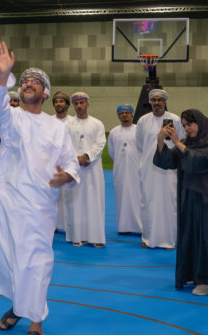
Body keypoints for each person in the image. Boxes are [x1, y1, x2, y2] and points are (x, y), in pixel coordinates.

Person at [0, 41, 79, 335]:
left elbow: (71, 162)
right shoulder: (12, 118)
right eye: (24, 81)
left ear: (45, 93)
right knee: (12, 258)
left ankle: (36, 326)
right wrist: (3, 76)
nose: (28, 83)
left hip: (39, 205)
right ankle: (18, 305)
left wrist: (67, 176)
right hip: (7, 202)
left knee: (36, 261)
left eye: (35, 81)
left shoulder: (57, 128)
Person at [155, 110, 208, 296]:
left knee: (207, 237)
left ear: (200, 123)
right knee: (191, 236)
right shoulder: (187, 143)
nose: (187, 128)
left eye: (190, 124)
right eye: (184, 125)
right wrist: (160, 141)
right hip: (191, 198)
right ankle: (193, 275)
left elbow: (198, 161)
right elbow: (167, 161)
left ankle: (206, 280)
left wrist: (177, 142)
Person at [134, 89, 183, 249]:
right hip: (148, 169)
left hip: (169, 169)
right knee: (148, 202)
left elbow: (181, 142)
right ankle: (148, 238)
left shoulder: (175, 119)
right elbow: (140, 145)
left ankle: (169, 240)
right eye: (154, 100)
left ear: (165, 102)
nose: (156, 103)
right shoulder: (143, 121)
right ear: (150, 102)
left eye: (160, 100)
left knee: (169, 202)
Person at [63, 92, 107, 247]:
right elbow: (64, 145)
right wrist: (77, 159)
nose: (79, 106)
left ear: (87, 104)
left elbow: (100, 143)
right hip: (74, 168)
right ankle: (77, 236)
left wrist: (87, 156)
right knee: (75, 202)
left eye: (82, 103)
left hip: (92, 169)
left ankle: (96, 238)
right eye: (76, 103)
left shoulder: (97, 124)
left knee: (94, 202)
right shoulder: (67, 124)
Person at [108, 104, 142, 235]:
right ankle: (124, 227)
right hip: (120, 170)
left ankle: (139, 227)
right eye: (121, 113)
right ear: (118, 116)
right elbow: (112, 152)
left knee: (138, 197)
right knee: (122, 197)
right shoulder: (114, 132)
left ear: (132, 115)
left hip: (137, 170)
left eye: (127, 112)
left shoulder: (139, 130)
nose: (124, 115)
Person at [51, 90, 73, 233]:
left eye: (61, 101)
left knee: (69, 195)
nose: (58, 104)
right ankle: (53, 224)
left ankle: (68, 225)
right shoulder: (49, 121)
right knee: (53, 195)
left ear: (67, 104)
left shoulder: (73, 122)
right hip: (53, 163)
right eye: (56, 102)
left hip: (68, 163)